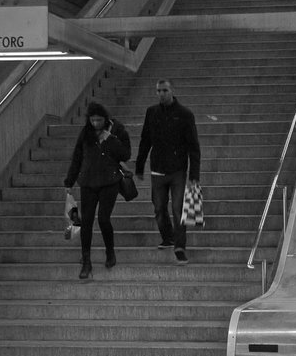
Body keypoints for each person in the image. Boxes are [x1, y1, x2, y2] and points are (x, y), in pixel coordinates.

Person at [135, 78, 201, 264]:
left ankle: (179, 246)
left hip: (178, 169)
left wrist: (194, 174)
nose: (161, 94)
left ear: (172, 91)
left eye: (164, 90)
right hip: (158, 168)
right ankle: (168, 236)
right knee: (159, 207)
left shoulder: (184, 114)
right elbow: (145, 139)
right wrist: (139, 165)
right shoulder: (152, 112)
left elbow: (193, 146)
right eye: (158, 91)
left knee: (178, 209)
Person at [64, 102, 132, 279]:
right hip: (88, 181)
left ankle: (110, 251)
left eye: (99, 120)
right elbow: (77, 157)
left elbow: (125, 154)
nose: (95, 124)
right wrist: (69, 180)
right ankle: (86, 261)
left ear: (105, 119)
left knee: (103, 218)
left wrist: (110, 138)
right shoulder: (85, 133)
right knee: (86, 222)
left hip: (109, 181)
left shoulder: (117, 130)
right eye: (92, 120)